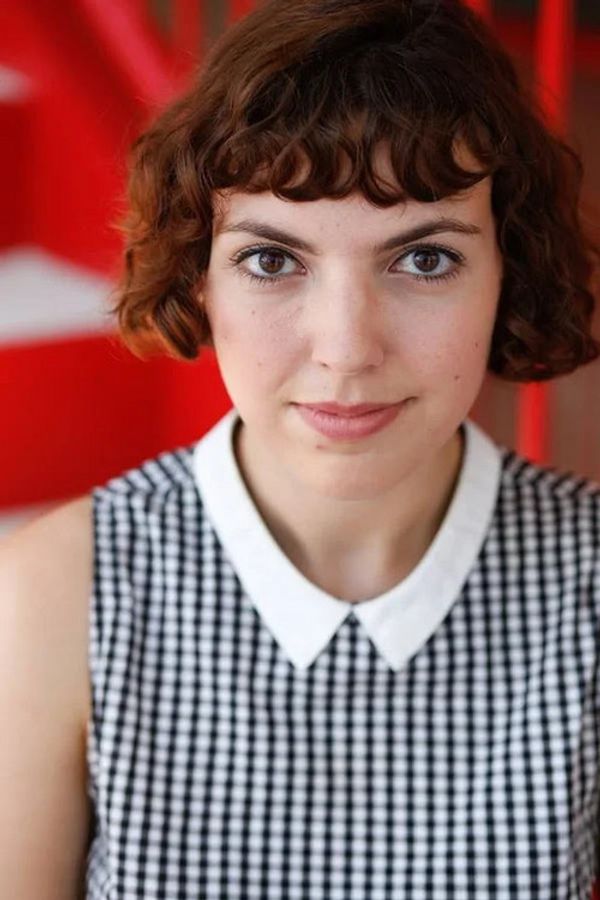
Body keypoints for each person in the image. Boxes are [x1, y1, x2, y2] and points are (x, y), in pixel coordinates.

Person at [1, 0, 599, 897]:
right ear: (199, 275)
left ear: (507, 270)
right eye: (274, 261)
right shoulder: (58, 595)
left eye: (425, 259)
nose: (348, 348)